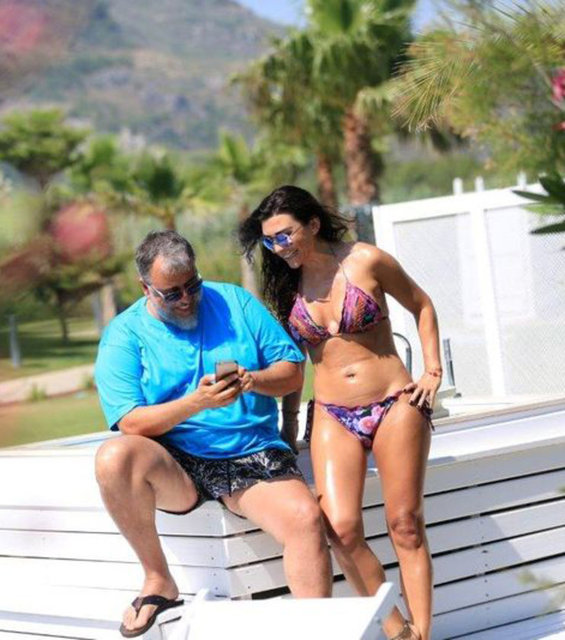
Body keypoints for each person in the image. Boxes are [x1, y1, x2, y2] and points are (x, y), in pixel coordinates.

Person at [94, 230, 332, 638]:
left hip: (250, 452)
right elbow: (130, 422)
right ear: (145, 288)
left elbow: (291, 372)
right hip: (175, 460)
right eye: (171, 293)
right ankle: (158, 580)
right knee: (113, 458)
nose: (186, 299)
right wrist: (197, 403)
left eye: (192, 285)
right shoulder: (124, 334)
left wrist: (252, 380)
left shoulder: (235, 302)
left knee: (305, 519)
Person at [239, 186, 442, 640]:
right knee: (341, 529)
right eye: (269, 240)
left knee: (405, 525)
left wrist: (432, 371)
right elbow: (293, 363)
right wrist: (290, 425)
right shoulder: (286, 285)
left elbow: (421, 304)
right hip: (333, 413)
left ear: (312, 224)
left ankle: (423, 633)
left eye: (285, 235)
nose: (279, 247)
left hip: (395, 403)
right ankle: (399, 632)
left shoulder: (366, 260)